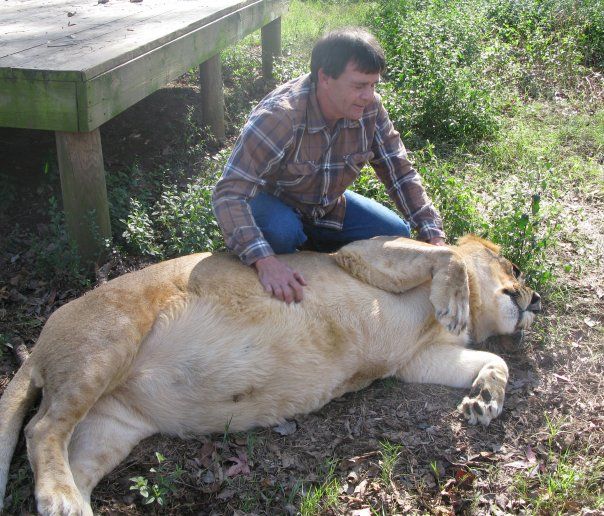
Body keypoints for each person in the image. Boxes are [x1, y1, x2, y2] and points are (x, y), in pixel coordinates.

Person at [212, 27, 445, 304]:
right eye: (359, 85)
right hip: (274, 204)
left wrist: (434, 238)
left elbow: (400, 172)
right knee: (281, 231)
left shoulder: (369, 108)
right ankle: (280, 255)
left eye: (373, 85)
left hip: (327, 207)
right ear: (324, 77)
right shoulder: (280, 116)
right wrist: (264, 260)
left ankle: (311, 247)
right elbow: (229, 194)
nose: (368, 95)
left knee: (396, 235)